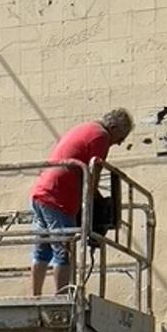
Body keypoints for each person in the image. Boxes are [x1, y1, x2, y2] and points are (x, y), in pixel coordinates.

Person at [29, 108, 133, 296]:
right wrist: (102, 204)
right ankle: (61, 298)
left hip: (41, 191)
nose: (119, 143)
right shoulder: (101, 136)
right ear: (114, 127)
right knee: (64, 251)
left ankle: (34, 296)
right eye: (121, 137)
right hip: (60, 197)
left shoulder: (84, 128)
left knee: (42, 250)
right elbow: (92, 178)